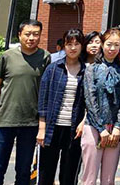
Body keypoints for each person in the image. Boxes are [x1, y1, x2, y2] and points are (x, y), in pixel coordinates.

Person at [0, 20, 51, 185]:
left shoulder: (45, 57)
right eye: (27, 34)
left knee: (23, 171)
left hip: (30, 122)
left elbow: (46, 88)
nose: (31, 38)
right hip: (5, 119)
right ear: (19, 35)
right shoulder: (7, 56)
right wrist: (6, 101)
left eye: (35, 34)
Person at [37, 29, 86, 185]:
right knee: (46, 172)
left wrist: (83, 121)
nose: (73, 48)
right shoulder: (53, 69)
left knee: (69, 174)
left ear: (82, 46)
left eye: (77, 44)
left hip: (74, 129)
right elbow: (43, 99)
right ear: (64, 46)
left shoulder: (86, 71)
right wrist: (42, 128)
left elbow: (89, 102)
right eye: (69, 44)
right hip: (52, 127)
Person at [81, 28, 120, 185]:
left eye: (116, 45)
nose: (112, 48)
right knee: (89, 177)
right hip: (94, 127)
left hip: (114, 129)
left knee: (109, 179)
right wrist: (101, 128)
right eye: (109, 44)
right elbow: (90, 100)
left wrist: (118, 126)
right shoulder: (92, 69)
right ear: (102, 44)